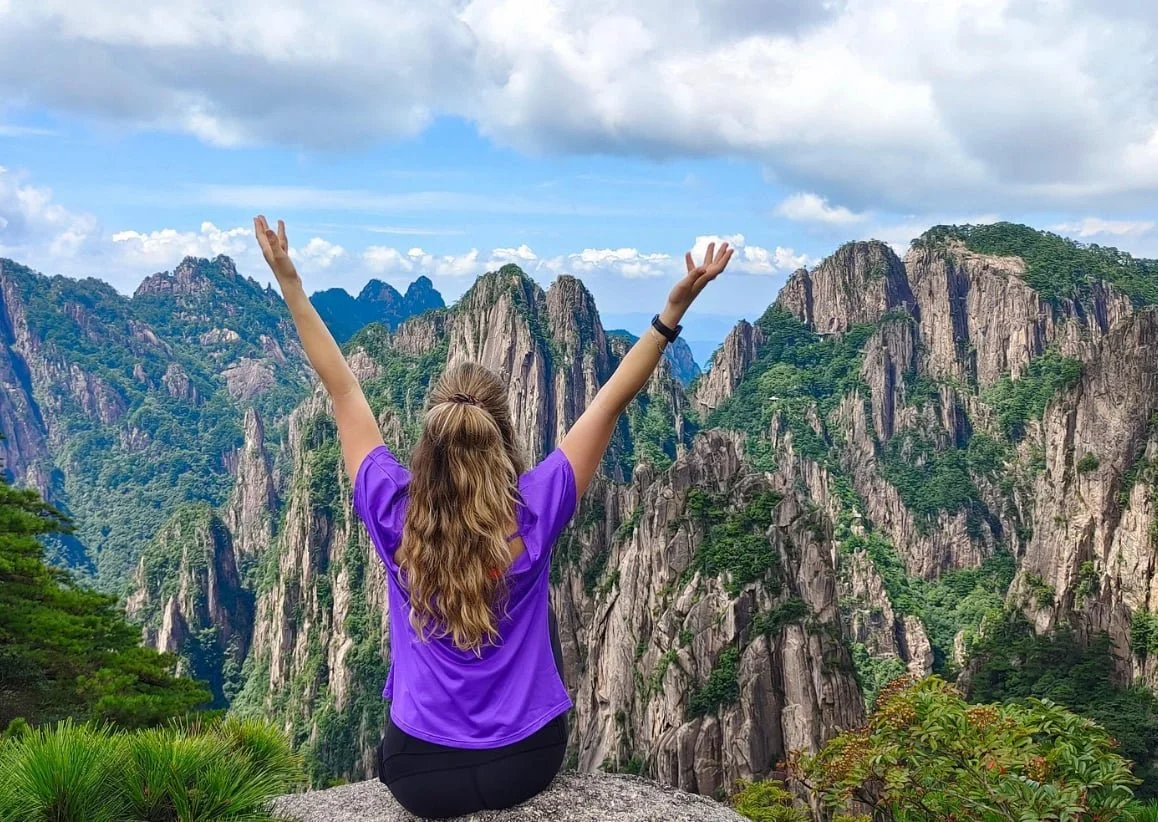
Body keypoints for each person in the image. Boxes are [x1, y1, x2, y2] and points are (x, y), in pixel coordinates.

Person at [254, 215, 733, 818]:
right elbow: (611, 399)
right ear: (505, 436)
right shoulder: (537, 508)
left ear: (426, 450)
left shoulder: (392, 511)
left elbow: (343, 390)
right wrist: (670, 313)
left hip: (420, 774)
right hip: (526, 761)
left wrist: (290, 283)